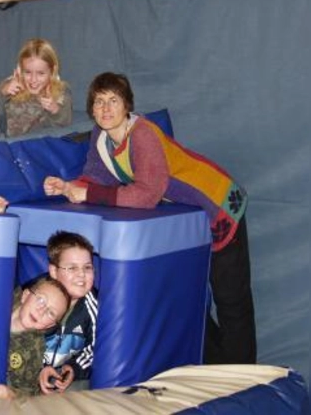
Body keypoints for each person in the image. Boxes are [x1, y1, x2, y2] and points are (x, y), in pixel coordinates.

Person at [43, 72, 256, 365]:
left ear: (127, 105)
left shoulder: (143, 133)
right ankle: (222, 369)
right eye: (99, 101)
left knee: (231, 301)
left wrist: (87, 194)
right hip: (190, 222)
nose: (105, 108)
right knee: (188, 301)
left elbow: (146, 195)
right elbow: (94, 178)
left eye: (113, 101)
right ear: (91, 108)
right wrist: (67, 186)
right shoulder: (101, 137)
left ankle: (245, 377)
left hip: (220, 206)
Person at [0, 277, 71, 400]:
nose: (41, 311)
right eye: (40, 300)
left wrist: (6, 393)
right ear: (25, 296)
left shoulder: (34, 350)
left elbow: (29, 393)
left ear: (50, 325)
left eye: (51, 313)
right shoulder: (3, 297)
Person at [39, 231, 98, 394]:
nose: (81, 274)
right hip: (27, 370)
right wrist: (36, 371)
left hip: (66, 378)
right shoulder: (36, 298)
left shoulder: (95, 307)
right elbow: (19, 338)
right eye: (72, 268)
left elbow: (94, 348)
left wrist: (73, 368)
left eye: (87, 267)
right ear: (54, 271)